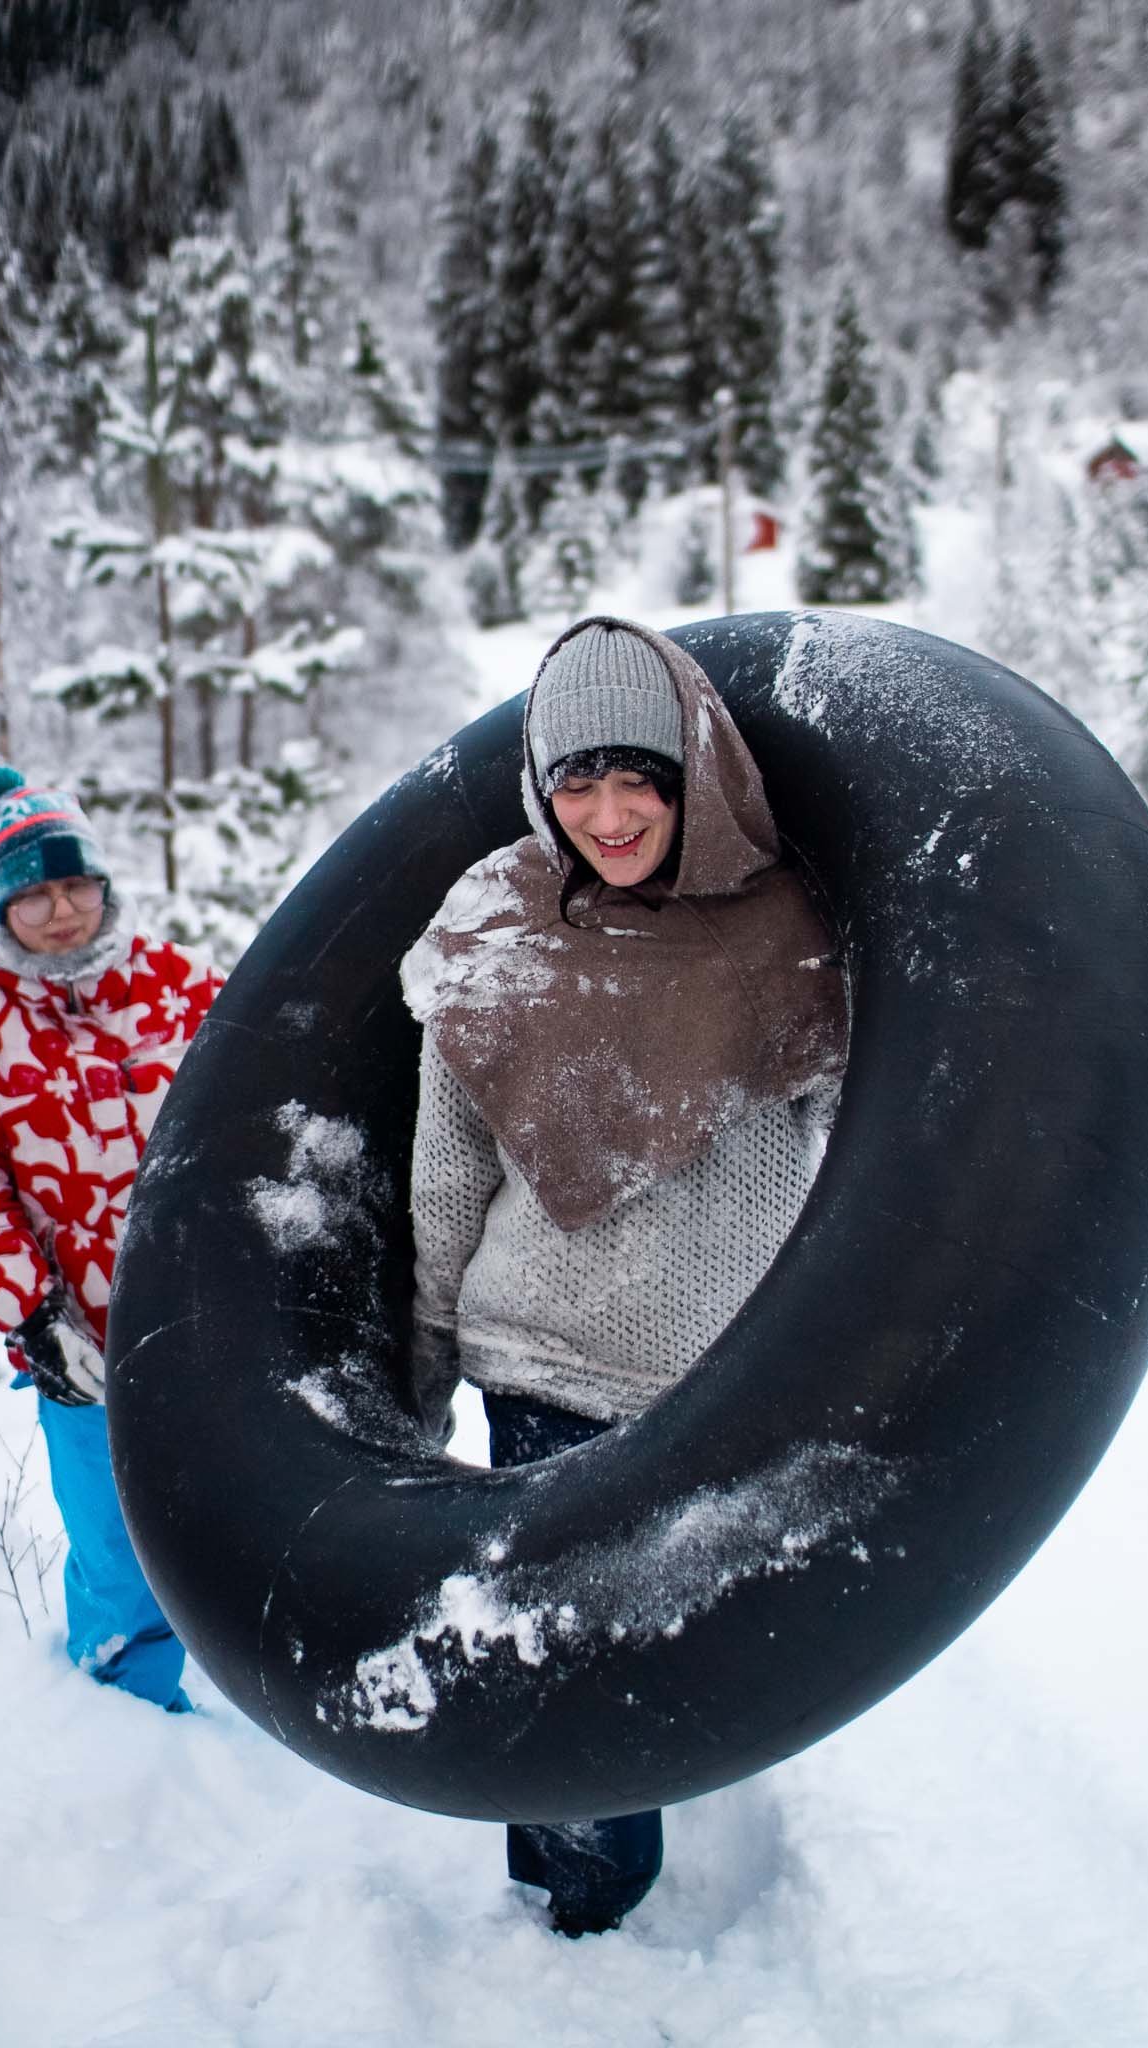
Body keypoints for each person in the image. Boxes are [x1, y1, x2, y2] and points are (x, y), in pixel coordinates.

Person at [400, 616, 849, 1935]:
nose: (605, 813)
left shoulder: (785, 935)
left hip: (716, 1377)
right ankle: (575, 1927)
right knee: (553, 1666)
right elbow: (445, 1169)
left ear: (690, 774)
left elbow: (856, 1151)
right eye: (574, 781)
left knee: (666, 1657)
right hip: (537, 1364)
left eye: (637, 778)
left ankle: (610, 1882)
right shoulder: (496, 925)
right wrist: (425, 1361)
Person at [0, 766, 223, 1710]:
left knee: (239, 1511)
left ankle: (278, 1685)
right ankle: (131, 1717)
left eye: (76, 885)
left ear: (103, 884)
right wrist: (31, 1312)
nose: (61, 911)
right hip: (82, 1343)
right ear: (0, 906)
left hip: (212, 1318)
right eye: (33, 894)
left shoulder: (184, 984)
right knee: (115, 1538)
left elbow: (256, 1120)